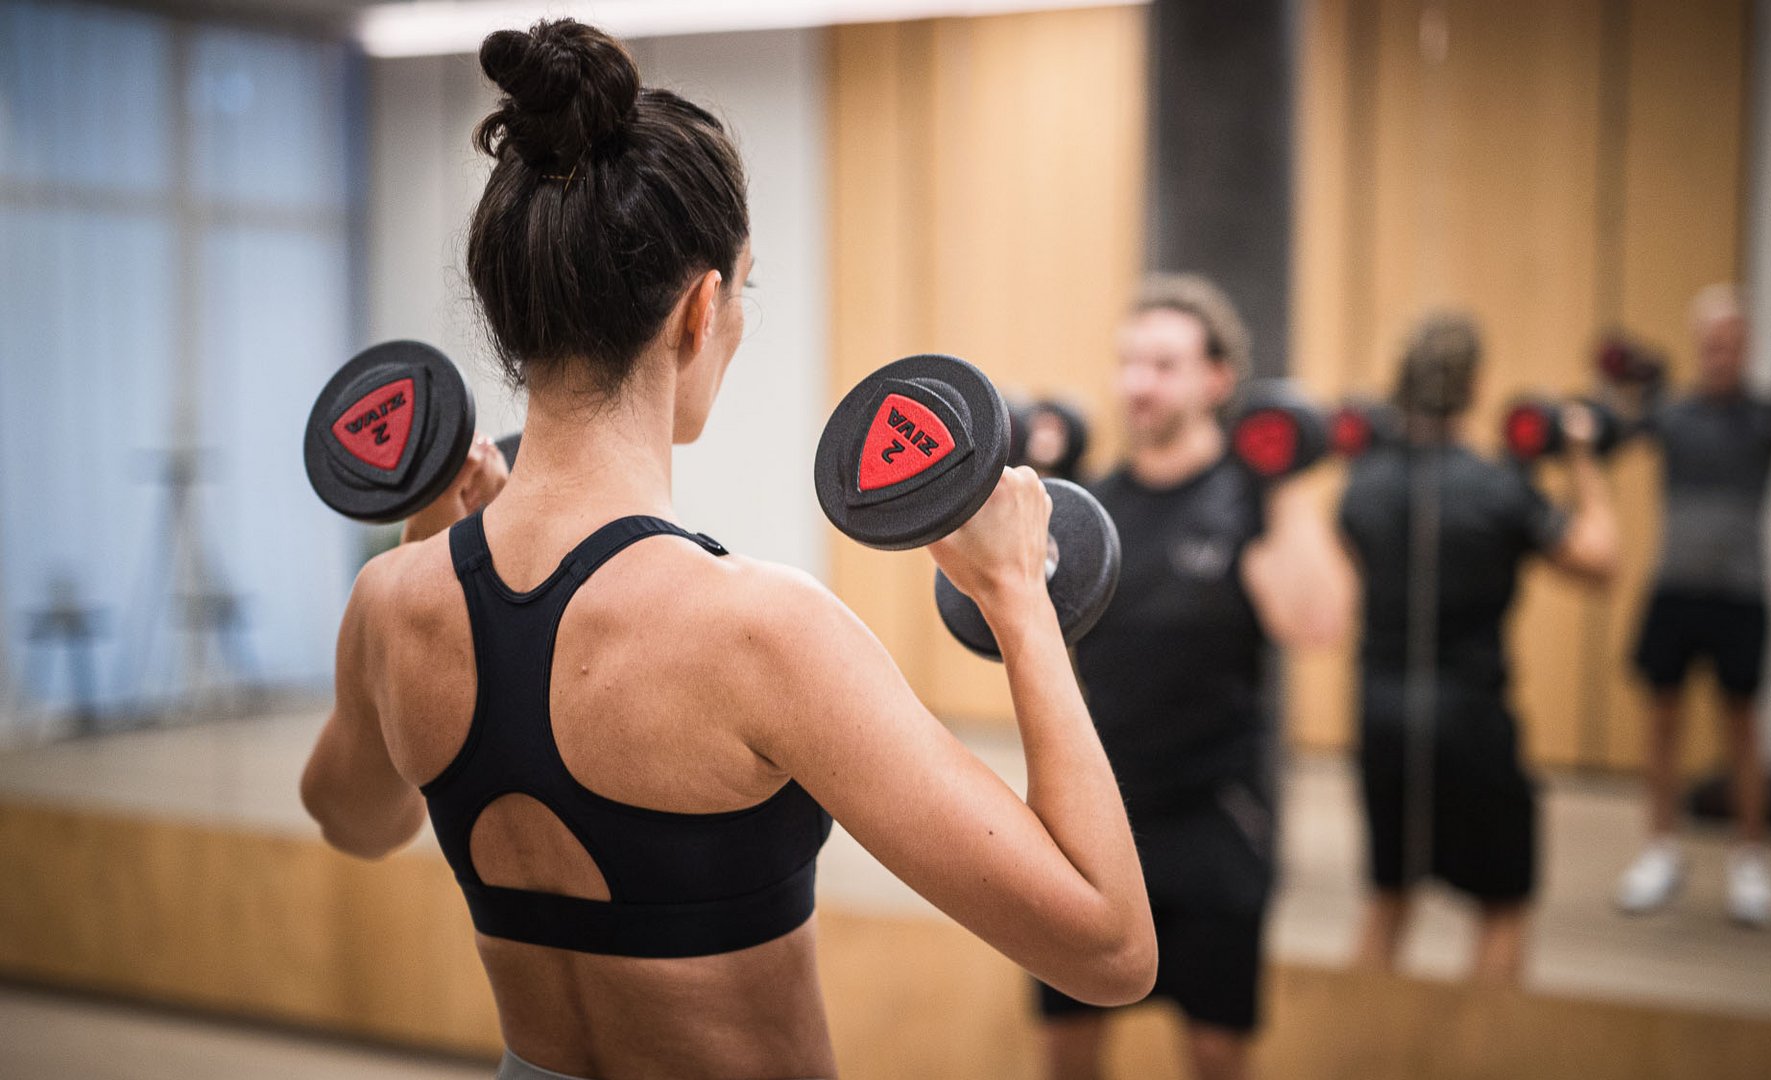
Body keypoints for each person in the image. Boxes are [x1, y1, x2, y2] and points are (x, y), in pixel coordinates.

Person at [297, 20, 1154, 1080]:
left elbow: (356, 821)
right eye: (743, 287)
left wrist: (434, 536)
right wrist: (1018, 592)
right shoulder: (762, 632)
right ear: (701, 310)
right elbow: (1109, 951)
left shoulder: (391, 601)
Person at [1037, 275, 1353, 1080]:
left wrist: (1283, 478)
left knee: (1215, 1052)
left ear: (1218, 379)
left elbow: (1317, 624)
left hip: (1214, 817)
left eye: (1165, 365)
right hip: (1095, 815)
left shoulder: (1251, 500)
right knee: (1068, 1051)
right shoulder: (1089, 508)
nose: (1139, 384)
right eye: (1129, 362)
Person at [1338, 314, 1617, 984]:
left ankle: (1365, 1038)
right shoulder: (1499, 488)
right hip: (1471, 721)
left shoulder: (1362, 486)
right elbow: (1600, 561)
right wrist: (1582, 457)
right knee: (1502, 907)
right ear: (1476, 386)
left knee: (1387, 901)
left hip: (1380, 717)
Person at [1614, 284, 1771, 927]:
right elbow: (1610, 435)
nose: (1720, 352)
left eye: (1731, 343)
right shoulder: (1672, 413)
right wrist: (1624, 381)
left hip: (1742, 593)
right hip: (1674, 589)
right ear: (1697, 345)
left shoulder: (1767, 415)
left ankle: (1750, 862)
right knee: (1662, 724)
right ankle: (1659, 852)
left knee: (1741, 728)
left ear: (1747, 347)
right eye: (1711, 342)